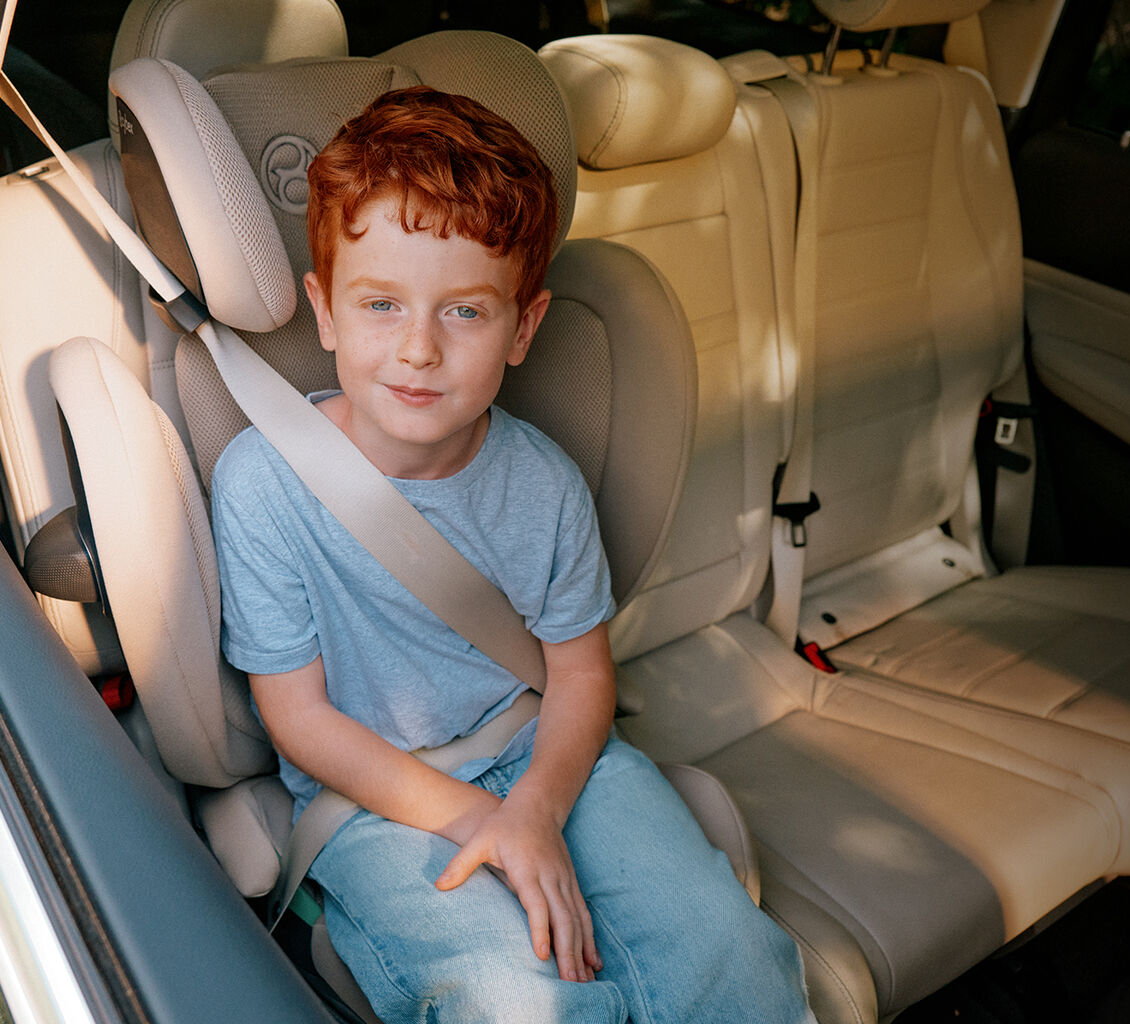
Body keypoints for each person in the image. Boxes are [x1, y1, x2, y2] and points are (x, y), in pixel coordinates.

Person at [210, 85, 813, 1023]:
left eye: (464, 313)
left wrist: (533, 807)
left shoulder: (546, 486)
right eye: (380, 304)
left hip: (550, 758)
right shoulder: (264, 486)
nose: (417, 349)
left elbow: (581, 679)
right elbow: (300, 721)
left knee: (734, 960)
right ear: (323, 312)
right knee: (519, 1003)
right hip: (376, 797)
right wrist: (482, 822)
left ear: (523, 329)